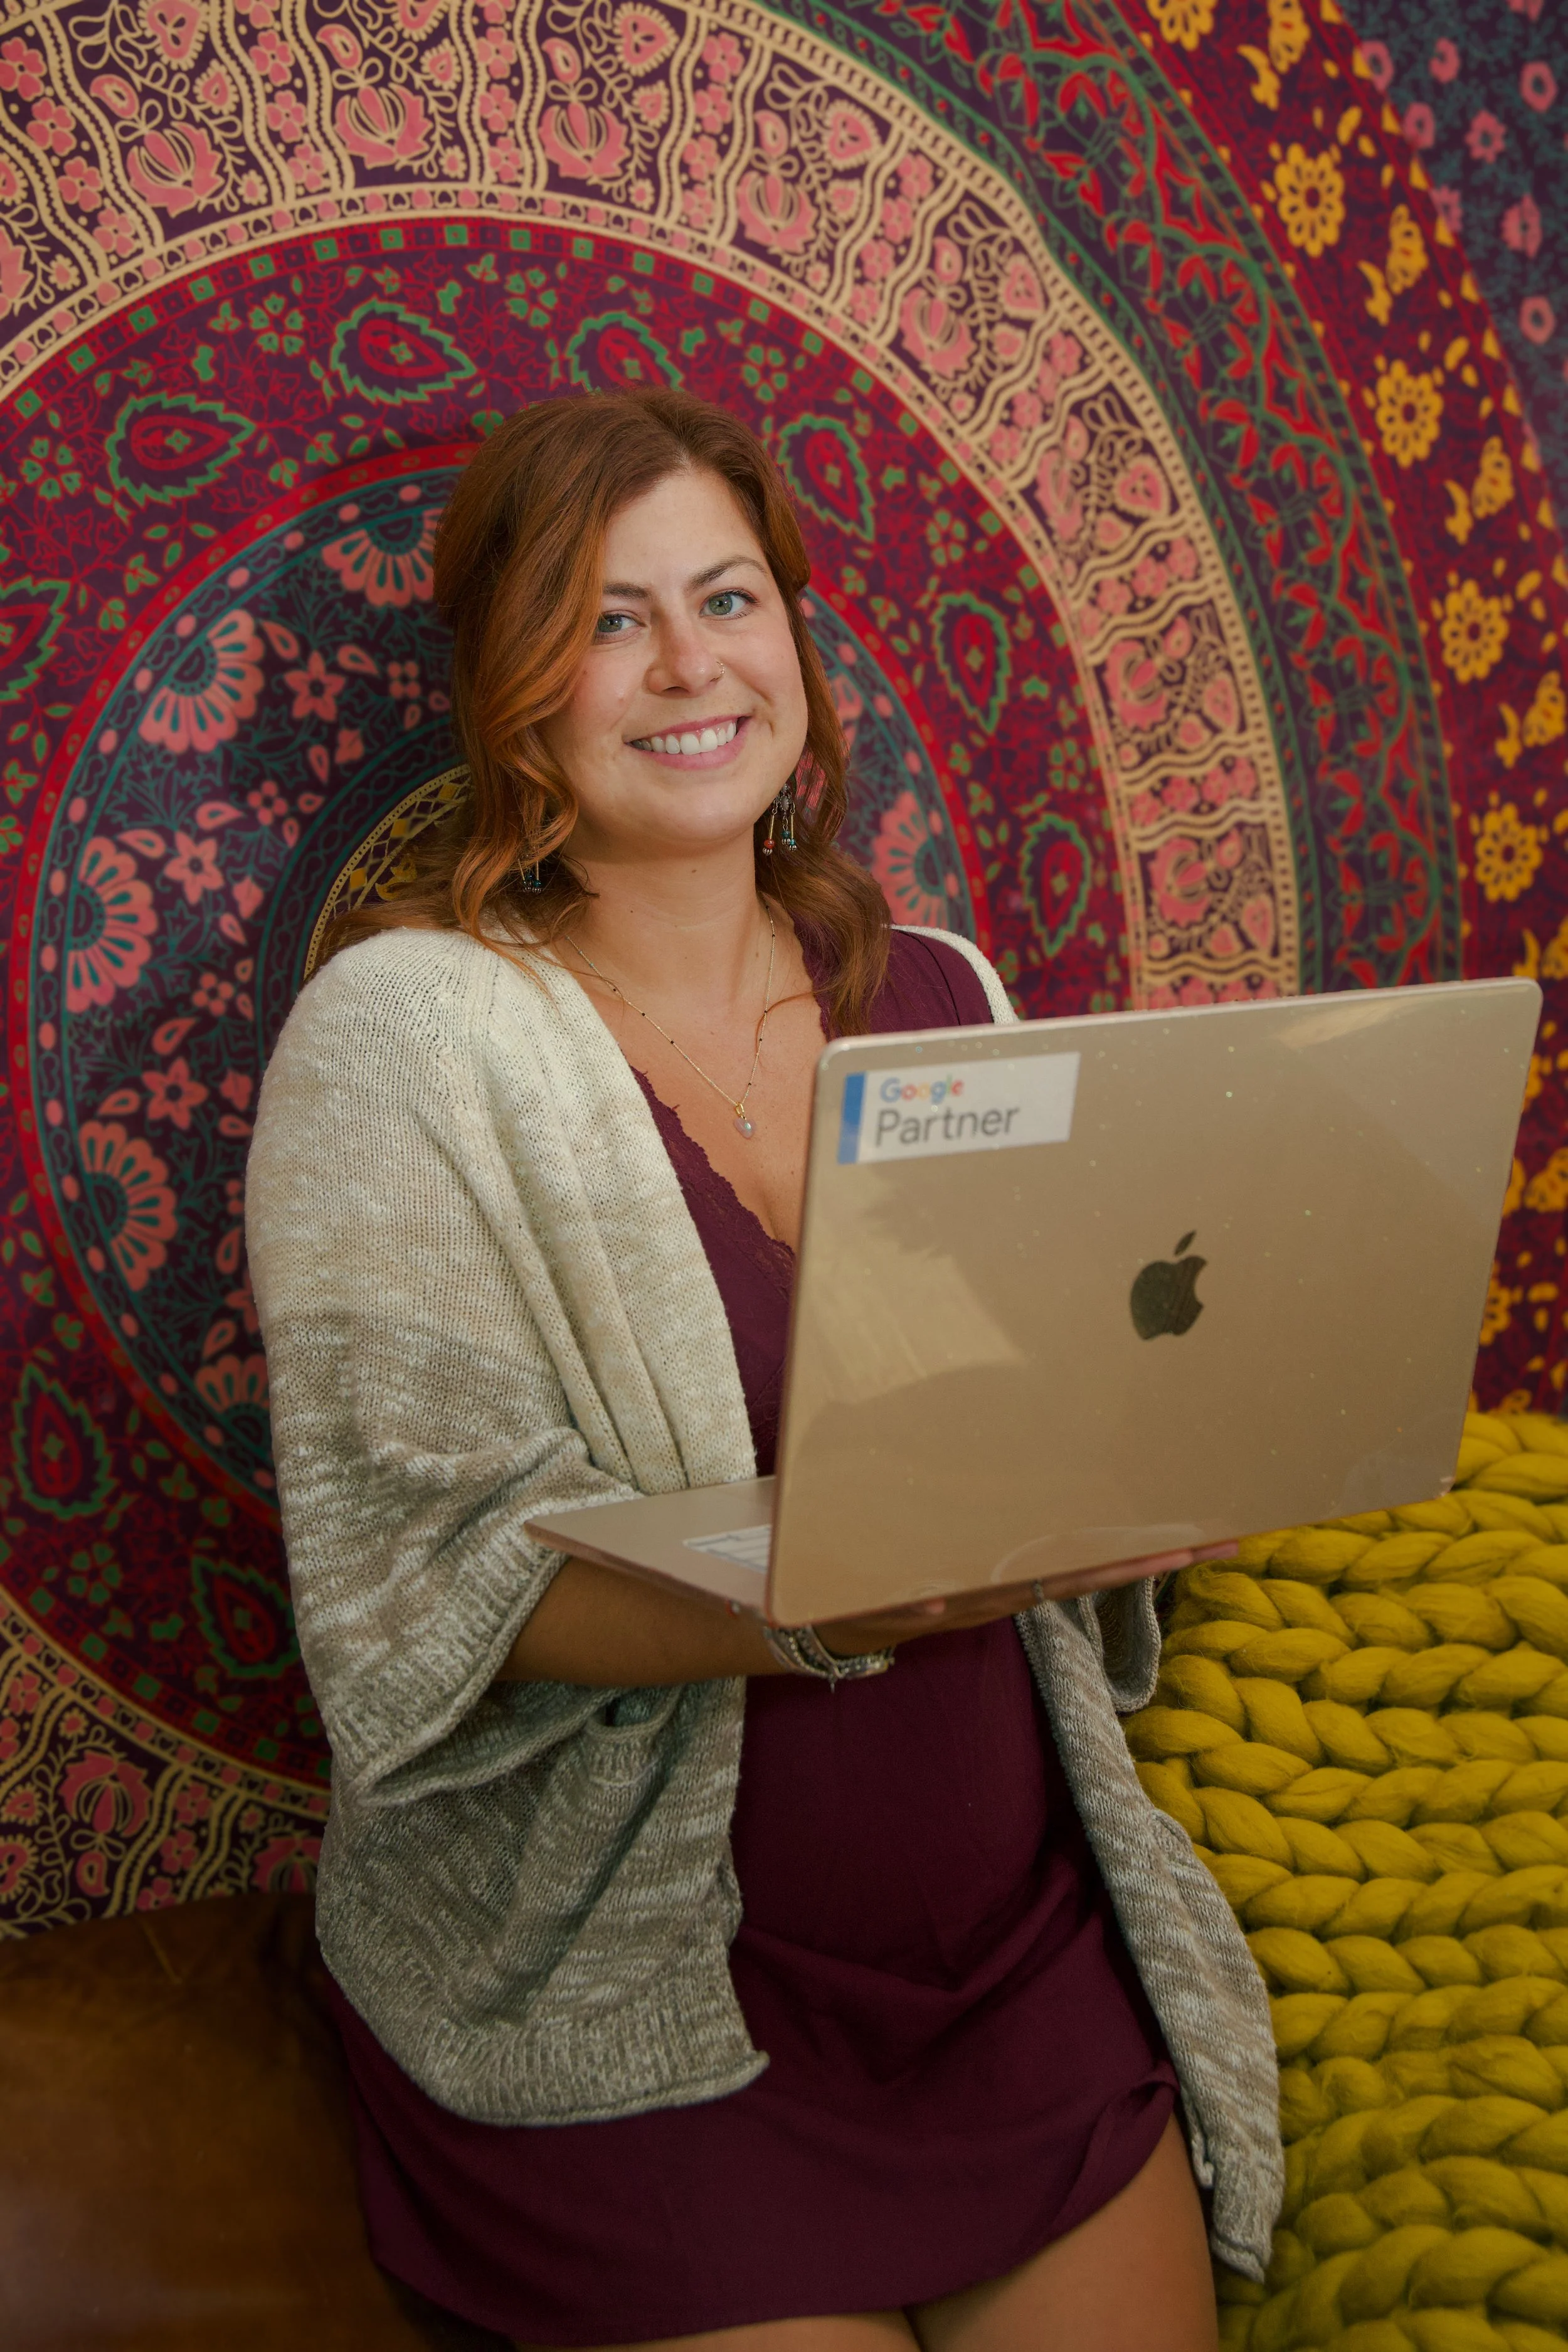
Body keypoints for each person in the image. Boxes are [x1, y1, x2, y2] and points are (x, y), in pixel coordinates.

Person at [245, 390, 1281, 2352]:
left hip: (1015, 1975)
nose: (689, 662)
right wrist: (834, 1584)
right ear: (514, 689)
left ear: (795, 638)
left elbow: (1048, 1431)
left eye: (727, 597)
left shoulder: (944, 995)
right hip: (638, 2026)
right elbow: (425, 1584)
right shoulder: (405, 1042)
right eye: (608, 618)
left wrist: (1162, 1456)